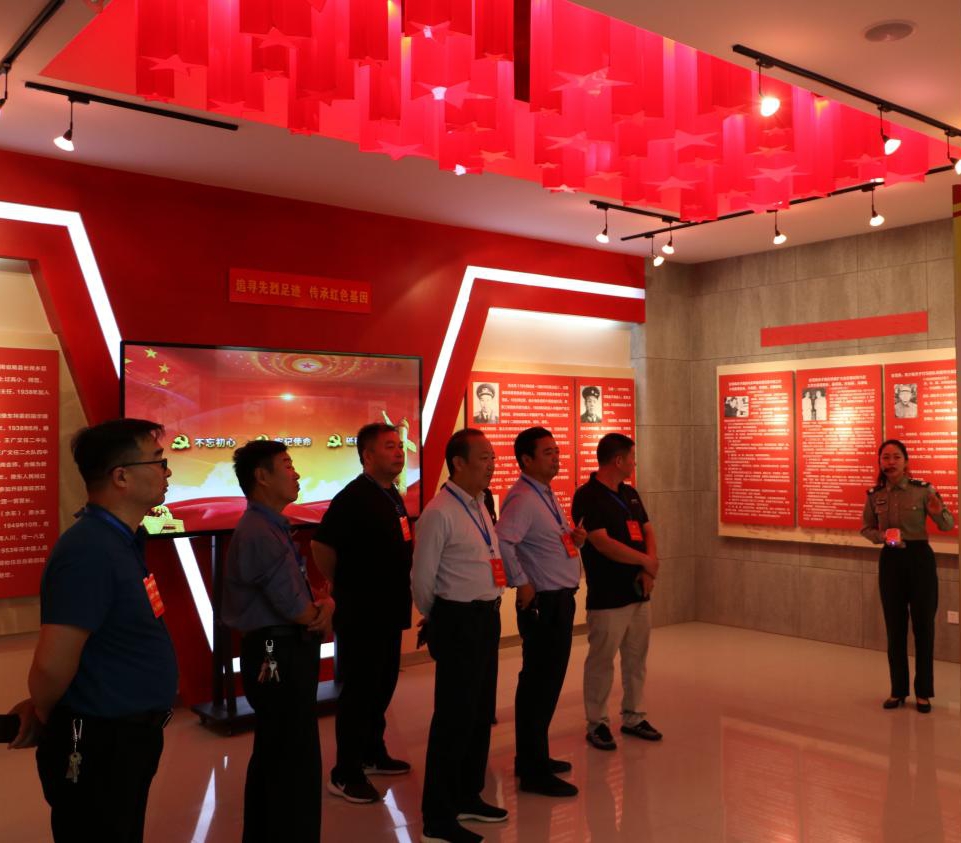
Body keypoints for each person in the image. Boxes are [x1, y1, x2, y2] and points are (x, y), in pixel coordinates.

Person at [8, 418, 178, 842]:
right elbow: (51, 664)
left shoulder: (120, 541)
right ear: (121, 477)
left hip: (127, 738)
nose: (168, 471)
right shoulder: (89, 550)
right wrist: (46, 711)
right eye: (158, 460)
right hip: (100, 743)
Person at [223, 439, 334, 843]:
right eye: (287, 465)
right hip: (277, 652)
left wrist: (320, 606)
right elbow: (294, 607)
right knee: (290, 760)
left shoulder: (270, 525)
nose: (297, 473)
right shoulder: (259, 531)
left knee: (281, 753)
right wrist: (321, 611)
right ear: (262, 477)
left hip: (283, 648)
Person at [412, 429, 508, 843]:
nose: (491, 465)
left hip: (486, 618)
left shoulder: (480, 504)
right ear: (459, 463)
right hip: (458, 621)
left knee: (480, 714)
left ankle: (468, 795)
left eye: (492, 458)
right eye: (484, 458)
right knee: (453, 720)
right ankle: (437, 817)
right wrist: (440, 617)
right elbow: (422, 579)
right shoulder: (440, 512)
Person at [312, 423, 413, 804]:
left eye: (399, 445)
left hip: (389, 608)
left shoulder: (391, 494)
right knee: (359, 691)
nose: (399, 452)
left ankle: (372, 752)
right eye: (389, 447)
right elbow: (322, 546)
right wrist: (344, 584)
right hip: (361, 613)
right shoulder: (353, 497)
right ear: (367, 456)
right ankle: (345, 772)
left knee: (382, 684)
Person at [495, 426, 586, 798]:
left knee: (546, 683)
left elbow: (542, 541)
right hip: (543, 603)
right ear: (526, 459)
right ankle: (533, 770)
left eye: (556, 451)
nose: (556, 457)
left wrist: (573, 540)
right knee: (539, 684)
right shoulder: (523, 498)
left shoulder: (544, 493)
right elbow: (504, 540)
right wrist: (521, 582)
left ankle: (534, 757)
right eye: (547, 452)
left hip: (558, 599)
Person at [572, 432, 662, 751]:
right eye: (632, 457)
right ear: (618, 460)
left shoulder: (630, 493)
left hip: (638, 591)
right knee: (602, 661)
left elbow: (647, 530)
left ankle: (634, 716)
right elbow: (602, 543)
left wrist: (648, 568)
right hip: (608, 596)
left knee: (636, 659)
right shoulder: (587, 496)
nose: (635, 463)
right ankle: (597, 723)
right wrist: (646, 562)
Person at [861, 439, 953, 713]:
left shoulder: (923, 490)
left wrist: (938, 513)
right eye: (885, 457)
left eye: (896, 457)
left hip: (919, 559)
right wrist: (882, 537)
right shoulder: (875, 495)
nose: (890, 462)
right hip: (891, 560)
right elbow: (866, 528)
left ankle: (923, 693)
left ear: (906, 461)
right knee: (895, 628)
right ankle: (898, 690)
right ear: (880, 462)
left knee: (924, 627)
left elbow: (947, 524)